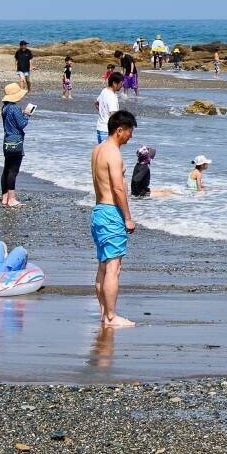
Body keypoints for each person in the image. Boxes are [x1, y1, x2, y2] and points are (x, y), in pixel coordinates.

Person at [90, 110, 137, 328]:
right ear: (119, 130)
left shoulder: (98, 150)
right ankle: (111, 316)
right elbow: (118, 188)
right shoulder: (114, 153)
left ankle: (103, 313)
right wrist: (127, 217)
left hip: (99, 211)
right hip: (111, 213)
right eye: (129, 132)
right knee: (113, 267)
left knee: (103, 265)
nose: (131, 136)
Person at [0, 83, 32, 208]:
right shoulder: (15, 108)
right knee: (13, 170)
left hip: (7, 140)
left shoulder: (5, 107)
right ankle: (12, 198)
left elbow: (12, 120)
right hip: (16, 141)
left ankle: (5, 197)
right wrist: (27, 115)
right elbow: (22, 124)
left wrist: (22, 113)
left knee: (6, 169)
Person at [95, 72, 123, 143]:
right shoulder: (112, 97)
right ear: (114, 83)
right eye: (121, 83)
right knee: (109, 153)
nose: (122, 85)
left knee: (102, 152)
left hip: (100, 128)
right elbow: (113, 115)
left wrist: (103, 113)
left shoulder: (104, 91)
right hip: (107, 131)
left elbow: (96, 103)